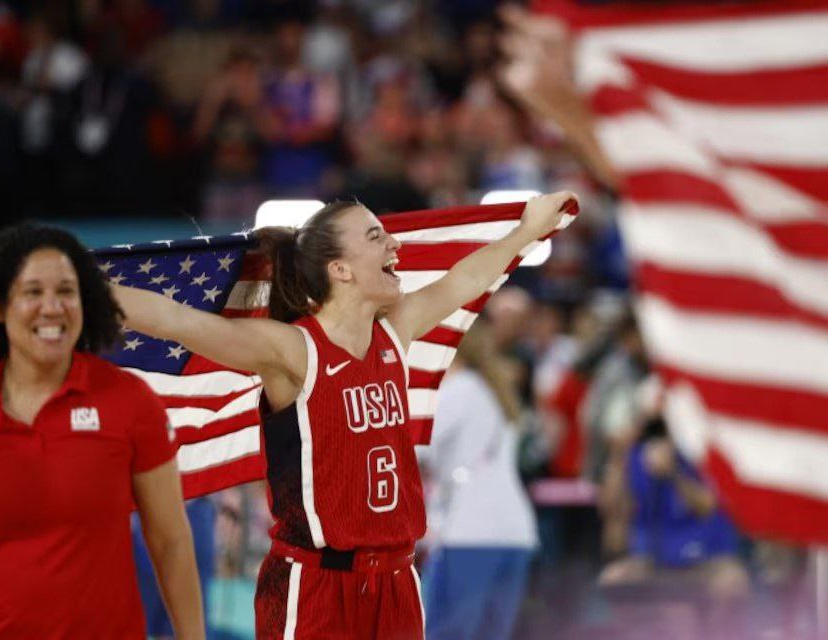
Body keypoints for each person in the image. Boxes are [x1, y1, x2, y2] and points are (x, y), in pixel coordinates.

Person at [112, 192, 576, 639]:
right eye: (376, 237)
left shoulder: (396, 332)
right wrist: (81, 287)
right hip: (316, 583)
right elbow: (177, 321)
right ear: (340, 269)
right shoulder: (293, 349)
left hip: (396, 580)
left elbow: (464, 280)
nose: (394, 243)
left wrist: (528, 232)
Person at [0, 224, 205, 639]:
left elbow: (171, 540)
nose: (52, 307)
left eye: (67, 291)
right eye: (32, 292)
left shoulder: (129, 400)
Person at [419, 320, 538, 640]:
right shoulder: (492, 391)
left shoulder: (459, 390)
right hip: (515, 533)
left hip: (472, 531)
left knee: (449, 633)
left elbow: (412, 447)